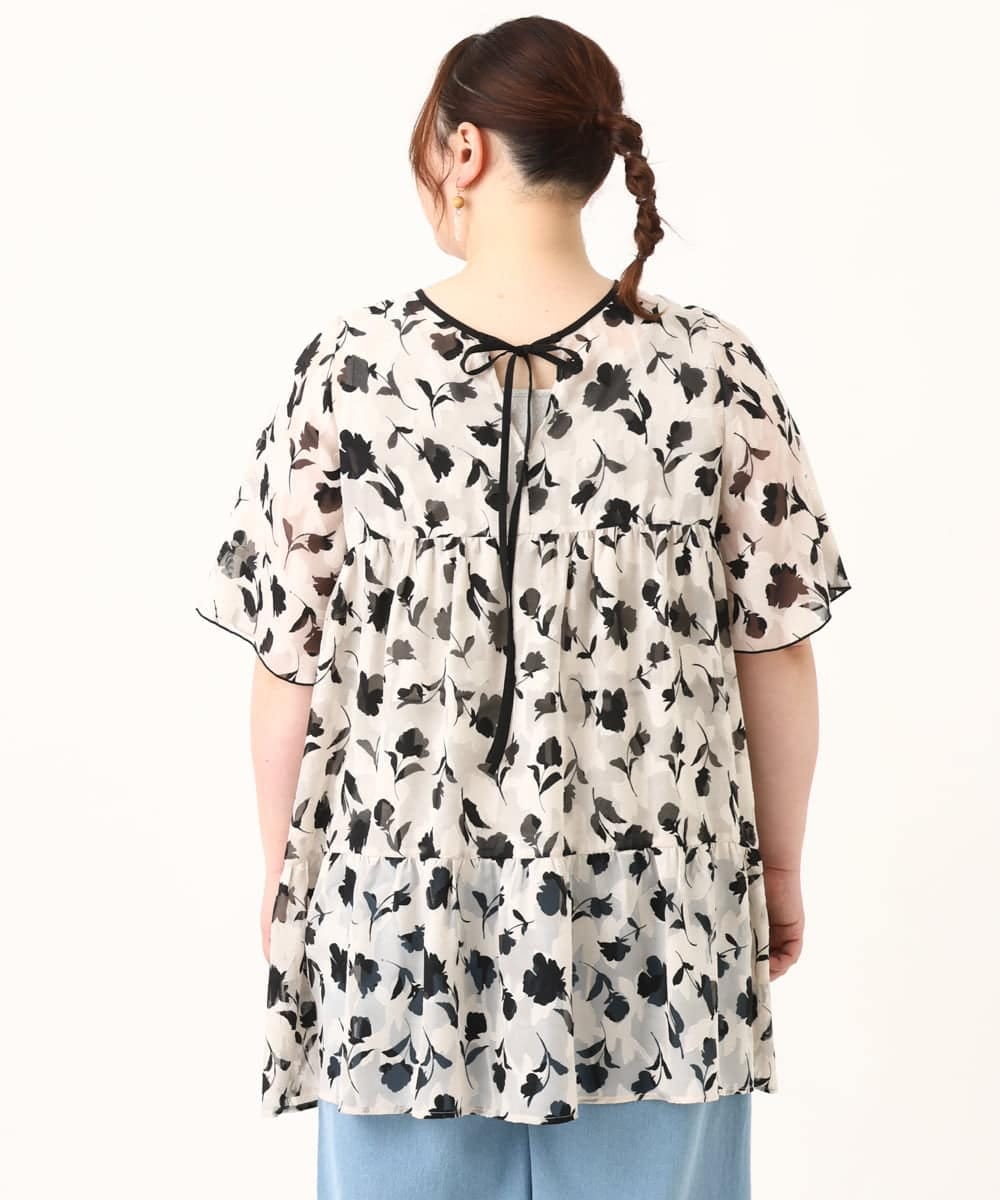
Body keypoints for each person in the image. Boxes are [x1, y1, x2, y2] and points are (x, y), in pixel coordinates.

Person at [193, 15, 853, 1200]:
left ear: (463, 150)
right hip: (658, 912)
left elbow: (286, 666)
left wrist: (287, 876)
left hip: (403, 907)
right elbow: (778, 653)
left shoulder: (350, 369)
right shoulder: (710, 369)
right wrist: (782, 873)